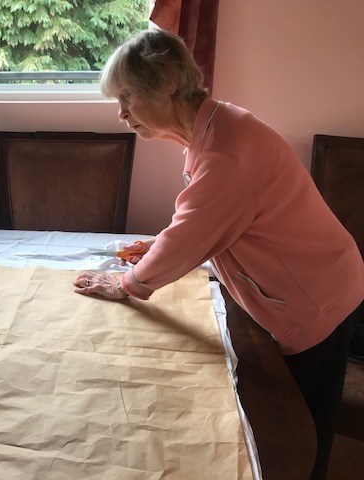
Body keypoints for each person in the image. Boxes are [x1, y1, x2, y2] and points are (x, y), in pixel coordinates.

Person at [73, 27, 364, 480]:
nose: (121, 114)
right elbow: (210, 220)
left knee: (302, 431)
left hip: (318, 297)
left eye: (127, 97)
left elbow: (194, 228)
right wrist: (158, 246)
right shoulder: (216, 126)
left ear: (167, 83)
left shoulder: (225, 152)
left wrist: (125, 284)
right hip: (323, 276)